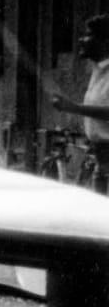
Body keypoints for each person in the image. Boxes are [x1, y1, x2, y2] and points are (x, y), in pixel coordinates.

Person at [52, 12, 109, 188]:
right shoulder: (99, 69)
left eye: (89, 35)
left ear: (105, 41)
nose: (81, 40)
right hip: (100, 157)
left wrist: (74, 108)